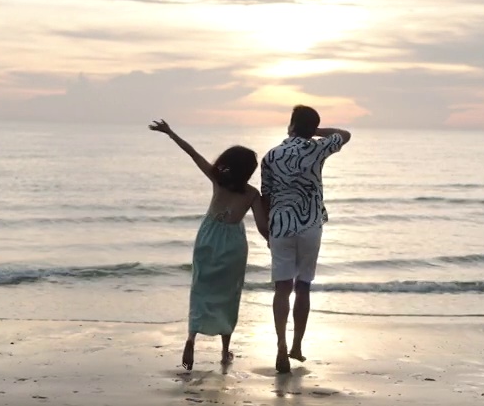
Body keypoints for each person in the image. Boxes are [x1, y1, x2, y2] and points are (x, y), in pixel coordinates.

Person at [150, 119, 269, 370]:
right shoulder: (251, 194)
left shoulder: (217, 180)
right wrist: (274, 243)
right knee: (229, 293)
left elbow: (193, 153)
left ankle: (191, 338)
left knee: (200, 287)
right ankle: (225, 351)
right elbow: (262, 227)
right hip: (233, 244)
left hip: (208, 236)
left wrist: (170, 132)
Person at [260, 105, 351, 373]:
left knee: (282, 288)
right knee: (303, 286)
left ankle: (280, 345)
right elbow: (345, 134)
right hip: (310, 225)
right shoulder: (317, 148)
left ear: (290, 125)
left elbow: (266, 196)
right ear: (312, 128)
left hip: (280, 225)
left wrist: (268, 231)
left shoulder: (271, 156)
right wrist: (316, 133)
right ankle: (297, 345)